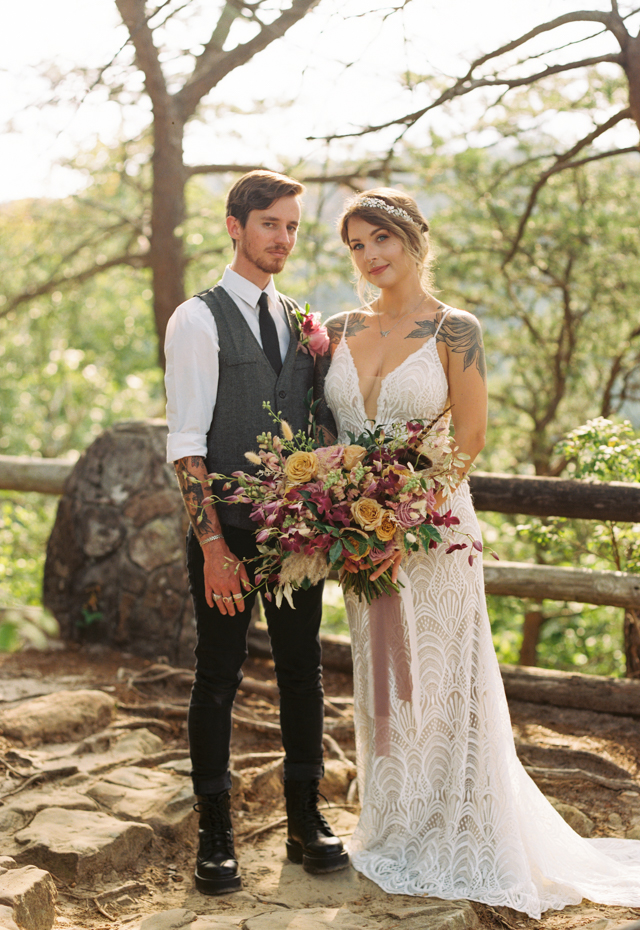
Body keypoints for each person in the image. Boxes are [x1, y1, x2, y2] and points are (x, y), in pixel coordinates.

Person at [322, 188, 640, 918]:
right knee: (382, 681)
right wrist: (347, 518)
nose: (369, 258)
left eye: (380, 241)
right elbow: (326, 437)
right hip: (358, 534)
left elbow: (468, 439)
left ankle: (460, 827)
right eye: (356, 246)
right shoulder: (336, 329)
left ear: (412, 240)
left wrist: (405, 515)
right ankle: (396, 825)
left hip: (433, 530)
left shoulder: (456, 330)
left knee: (441, 678)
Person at [164, 169, 348, 896]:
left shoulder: (303, 319)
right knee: (218, 679)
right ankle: (216, 833)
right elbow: (187, 444)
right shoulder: (198, 319)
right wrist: (212, 546)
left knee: (303, 673)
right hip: (228, 535)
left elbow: (318, 417)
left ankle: (306, 819)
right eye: (270, 223)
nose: (283, 238)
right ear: (235, 227)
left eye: (293, 226)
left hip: (298, 533)